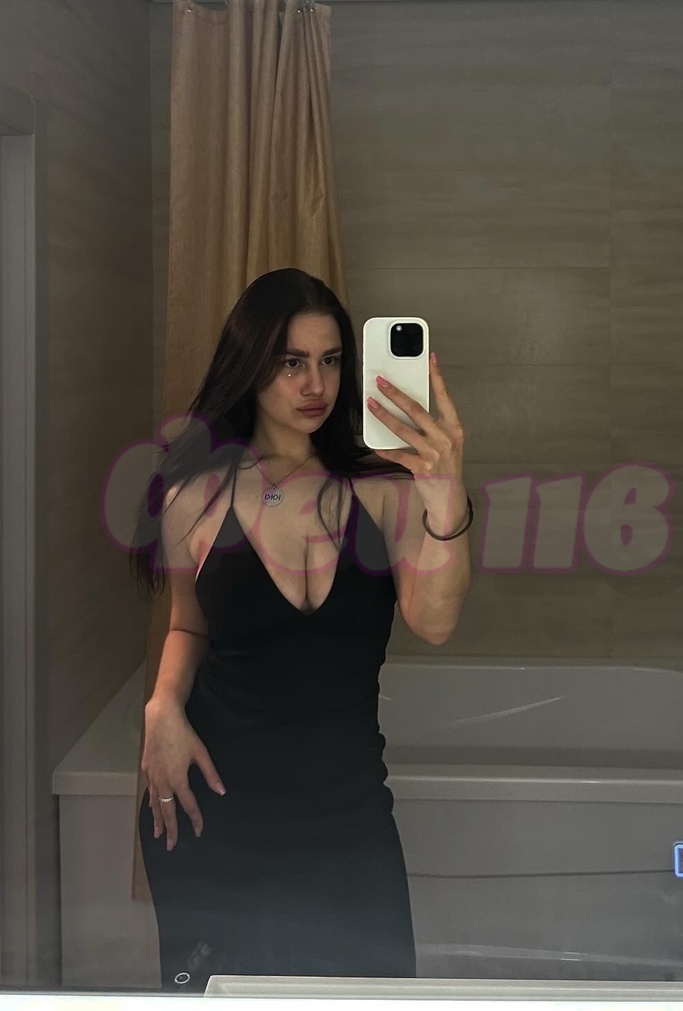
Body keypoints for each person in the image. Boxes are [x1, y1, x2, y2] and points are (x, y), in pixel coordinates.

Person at [129, 268, 473, 991]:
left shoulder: (385, 491)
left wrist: (444, 493)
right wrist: (161, 705)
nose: (316, 383)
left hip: (349, 816)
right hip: (217, 812)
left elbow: (435, 622)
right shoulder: (195, 493)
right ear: (251, 365)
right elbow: (189, 626)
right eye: (291, 362)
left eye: (330, 360)